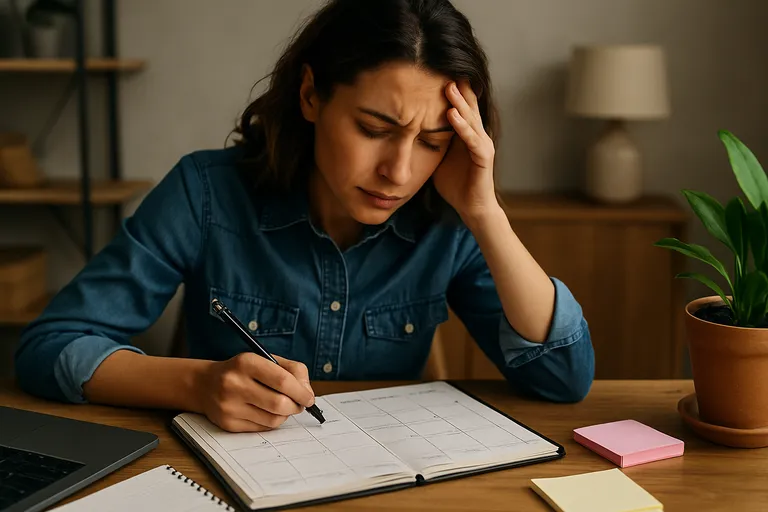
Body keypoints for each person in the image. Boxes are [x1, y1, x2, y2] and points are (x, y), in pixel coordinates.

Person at [15, 0, 594, 433]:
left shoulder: (449, 215)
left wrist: (484, 211)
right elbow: (51, 346)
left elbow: (563, 380)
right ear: (312, 95)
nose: (398, 170)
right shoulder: (207, 192)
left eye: (433, 141)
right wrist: (195, 383)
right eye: (374, 130)